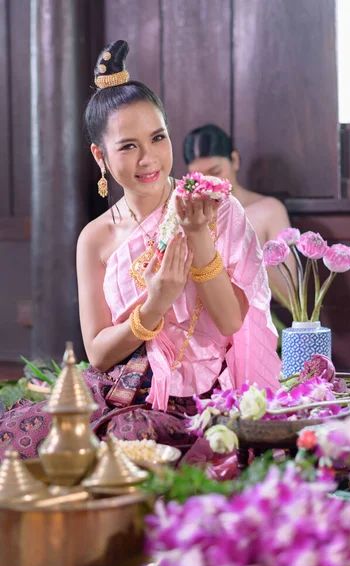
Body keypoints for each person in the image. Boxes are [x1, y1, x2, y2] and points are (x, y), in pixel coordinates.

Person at [0, 41, 280, 460]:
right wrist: (154, 305)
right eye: (128, 146)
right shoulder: (95, 237)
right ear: (101, 155)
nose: (149, 159)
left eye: (158, 138)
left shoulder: (215, 208)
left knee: (133, 441)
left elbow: (230, 321)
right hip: (118, 391)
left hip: (199, 398)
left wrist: (198, 234)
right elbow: (96, 353)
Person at [183, 124, 297, 307]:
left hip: (254, 319)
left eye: (216, 172)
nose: (209, 183)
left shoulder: (269, 210)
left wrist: (250, 254)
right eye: (199, 178)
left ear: (234, 160)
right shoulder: (191, 219)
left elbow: (290, 295)